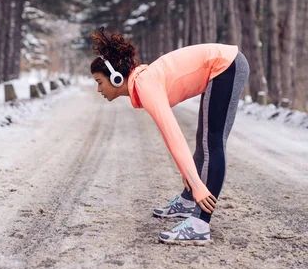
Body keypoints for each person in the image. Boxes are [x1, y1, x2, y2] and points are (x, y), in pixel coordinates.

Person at [90, 27, 250, 246]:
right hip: (224, 65)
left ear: (116, 78)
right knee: (203, 141)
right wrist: (188, 175)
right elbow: (168, 138)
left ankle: (200, 225)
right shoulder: (142, 82)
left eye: (99, 82)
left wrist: (198, 185)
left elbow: (173, 134)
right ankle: (187, 202)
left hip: (226, 66)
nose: (99, 90)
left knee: (212, 142)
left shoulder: (146, 86)